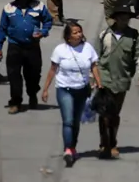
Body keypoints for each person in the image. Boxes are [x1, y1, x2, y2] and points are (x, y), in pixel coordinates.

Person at [41, 20, 101, 167]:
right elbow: (52, 69)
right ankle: (68, 149)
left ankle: (72, 146)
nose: (79, 34)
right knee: (67, 120)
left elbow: (94, 66)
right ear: (68, 37)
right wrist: (45, 89)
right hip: (64, 89)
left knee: (75, 122)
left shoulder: (88, 48)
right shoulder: (60, 50)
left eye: (80, 31)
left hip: (82, 90)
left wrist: (100, 83)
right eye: (75, 32)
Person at [95, 6, 139, 159]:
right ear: (115, 18)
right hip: (104, 80)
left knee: (114, 114)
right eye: (122, 17)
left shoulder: (134, 36)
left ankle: (113, 142)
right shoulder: (104, 35)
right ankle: (104, 144)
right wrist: (92, 78)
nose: (125, 20)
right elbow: (95, 58)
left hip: (122, 80)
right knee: (104, 114)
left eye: (127, 18)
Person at [0, 0, 51, 113]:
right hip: (15, 46)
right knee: (13, 75)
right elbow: (2, 28)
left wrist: (43, 32)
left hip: (33, 46)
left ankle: (32, 94)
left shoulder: (39, 6)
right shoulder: (9, 8)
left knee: (33, 74)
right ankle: (15, 102)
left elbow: (48, 21)